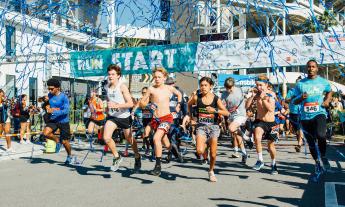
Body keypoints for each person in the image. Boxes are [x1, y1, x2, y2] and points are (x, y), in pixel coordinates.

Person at [139, 67, 182, 176]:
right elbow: (142, 103)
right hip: (155, 119)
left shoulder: (169, 88)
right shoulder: (151, 89)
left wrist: (178, 104)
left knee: (156, 138)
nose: (157, 79)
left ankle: (157, 166)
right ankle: (173, 149)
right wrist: (147, 105)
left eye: (159, 77)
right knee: (165, 143)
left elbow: (179, 94)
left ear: (164, 78)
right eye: (155, 77)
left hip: (166, 118)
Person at [293, 60, 333, 174]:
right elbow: (294, 101)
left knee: (321, 135)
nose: (311, 68)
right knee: (311, 142)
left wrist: (327, 100)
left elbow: (329, 91)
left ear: (317, 68)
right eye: (309, 67)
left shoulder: (323, 82)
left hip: (319, 113)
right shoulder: (300, 84)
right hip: (305, 117)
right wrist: (301, 97)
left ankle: (323, 157)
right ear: (306, 69)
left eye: (313, 67)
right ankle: (317, 161)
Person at [187, 77, 229, 182]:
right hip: (201, 126)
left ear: (210, 86)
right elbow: (189, 104)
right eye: (201, 85)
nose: (203, 87)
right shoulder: (197, 97)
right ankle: (204, 146)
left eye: (205, 85)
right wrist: (191, 117)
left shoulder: (216, 99)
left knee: (213, 154)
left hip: (214, 127)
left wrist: (215, 110)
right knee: (199, 150)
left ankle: (211, 171)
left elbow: (227, 113)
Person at [103, 64, 141, 172]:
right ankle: (117, 156)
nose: (110, 76)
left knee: (129, 139)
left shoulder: (122, 86)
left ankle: (137, 156)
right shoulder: (107, 86)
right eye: (109, 74)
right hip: (113, 117)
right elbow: (109, 99)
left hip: (124, 117)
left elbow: (130, 104)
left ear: (118, 75)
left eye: (113, 74)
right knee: (106, 138)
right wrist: (107, 108)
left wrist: (116, 106)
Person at [246, 74, 279, 174]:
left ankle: (273, 164)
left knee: (271, 146)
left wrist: (263, 98)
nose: (258, 87)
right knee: (257, 137)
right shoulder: (257, 94)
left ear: (266, 85)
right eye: (257, 85)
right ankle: (260, 160)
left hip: (271, 123)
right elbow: (247, 106)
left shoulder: (271, 95)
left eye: (260, 85)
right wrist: (252, 97)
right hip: (260, 121)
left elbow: (271, 109)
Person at [43, 78, 74, 164]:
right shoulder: (50, 95)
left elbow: (66, 111)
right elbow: (48, 105)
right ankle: (57, 140)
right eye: (48, 88)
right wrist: (47, 107)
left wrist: (54, 111)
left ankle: (69, 156)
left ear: (58, 88)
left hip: (63, 121)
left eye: (51, 89)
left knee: (65, 142)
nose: (50, 90)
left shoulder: (64, 97)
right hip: (53, 120)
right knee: (45, 133)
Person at [221, 77, 248, 164]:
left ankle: (246, 137)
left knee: (231, 128)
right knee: (237, 136)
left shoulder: (239, 90)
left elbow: (247, 97)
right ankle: (244, 153)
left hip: (240, 114)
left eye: (230, 88)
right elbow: (222, 106)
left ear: (233, 85)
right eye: (227, 88)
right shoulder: (224, 94)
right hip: (231, 116)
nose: (229, 90)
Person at [285, 77, 303, 152]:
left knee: (300, 128)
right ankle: (300, 141)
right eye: (298, 83)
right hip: (293, 113)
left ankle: (299, 144)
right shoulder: (291, 91)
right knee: (297, 130)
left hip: (302, 112)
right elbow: (286, 100)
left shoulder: (304, 91)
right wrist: (292, 97)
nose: (299, 84)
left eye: (300, 83)